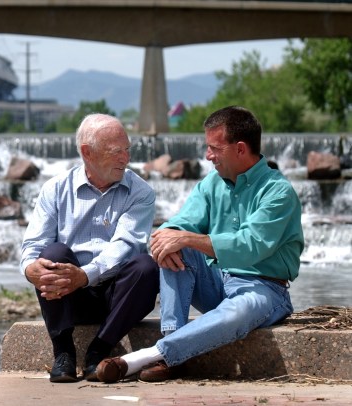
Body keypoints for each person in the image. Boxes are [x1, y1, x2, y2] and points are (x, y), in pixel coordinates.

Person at [96, 106, 304, 383]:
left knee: (237, 312)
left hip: (264, 289)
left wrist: (185, 237)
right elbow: (179, 224)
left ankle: (146, 357)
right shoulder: (211, 184)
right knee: (174, 246)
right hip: (217, 281)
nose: (208, 156)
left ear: (240, 149)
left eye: (214, 148)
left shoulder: (278, 192)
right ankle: (173, 344)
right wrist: (169, 236)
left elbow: (251, 245)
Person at [20, 113, 159, 383]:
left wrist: (84, 275)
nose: (125, 159)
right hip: (67, 295)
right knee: (52, 255)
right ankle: (63, 353)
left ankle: (99, 350)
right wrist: (29, 269)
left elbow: (126, 246)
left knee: (146, 266)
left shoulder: (140, 192)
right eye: (116, 151)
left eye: (127, 150)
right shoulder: (56, 189)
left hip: (118, 299)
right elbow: (34, 243)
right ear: (87, 152)